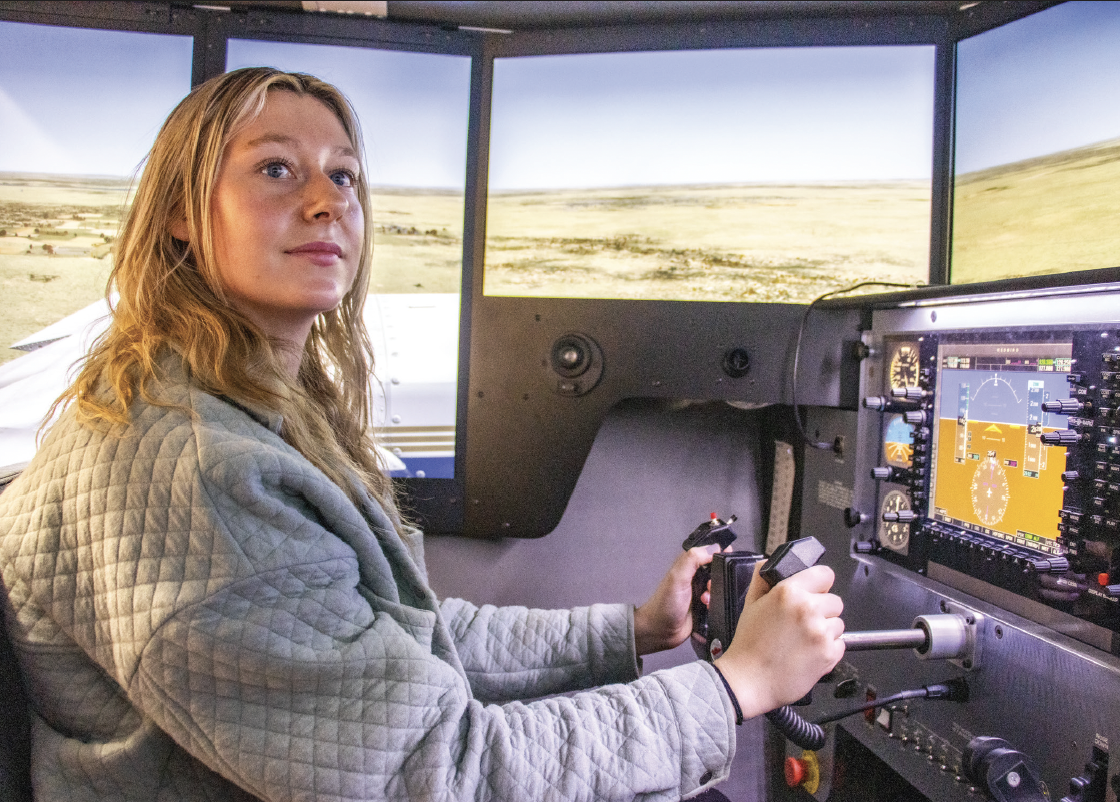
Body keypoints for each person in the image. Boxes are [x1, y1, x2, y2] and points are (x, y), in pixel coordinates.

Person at [0, 67, 844, 801]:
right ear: (181, 214)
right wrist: (736, 686)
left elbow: (404, 642)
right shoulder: (190, 465)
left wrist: (633, 630)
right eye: (275, 169)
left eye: (344, 176)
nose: (327, 199)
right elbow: (436, 769)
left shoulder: (243, 407)